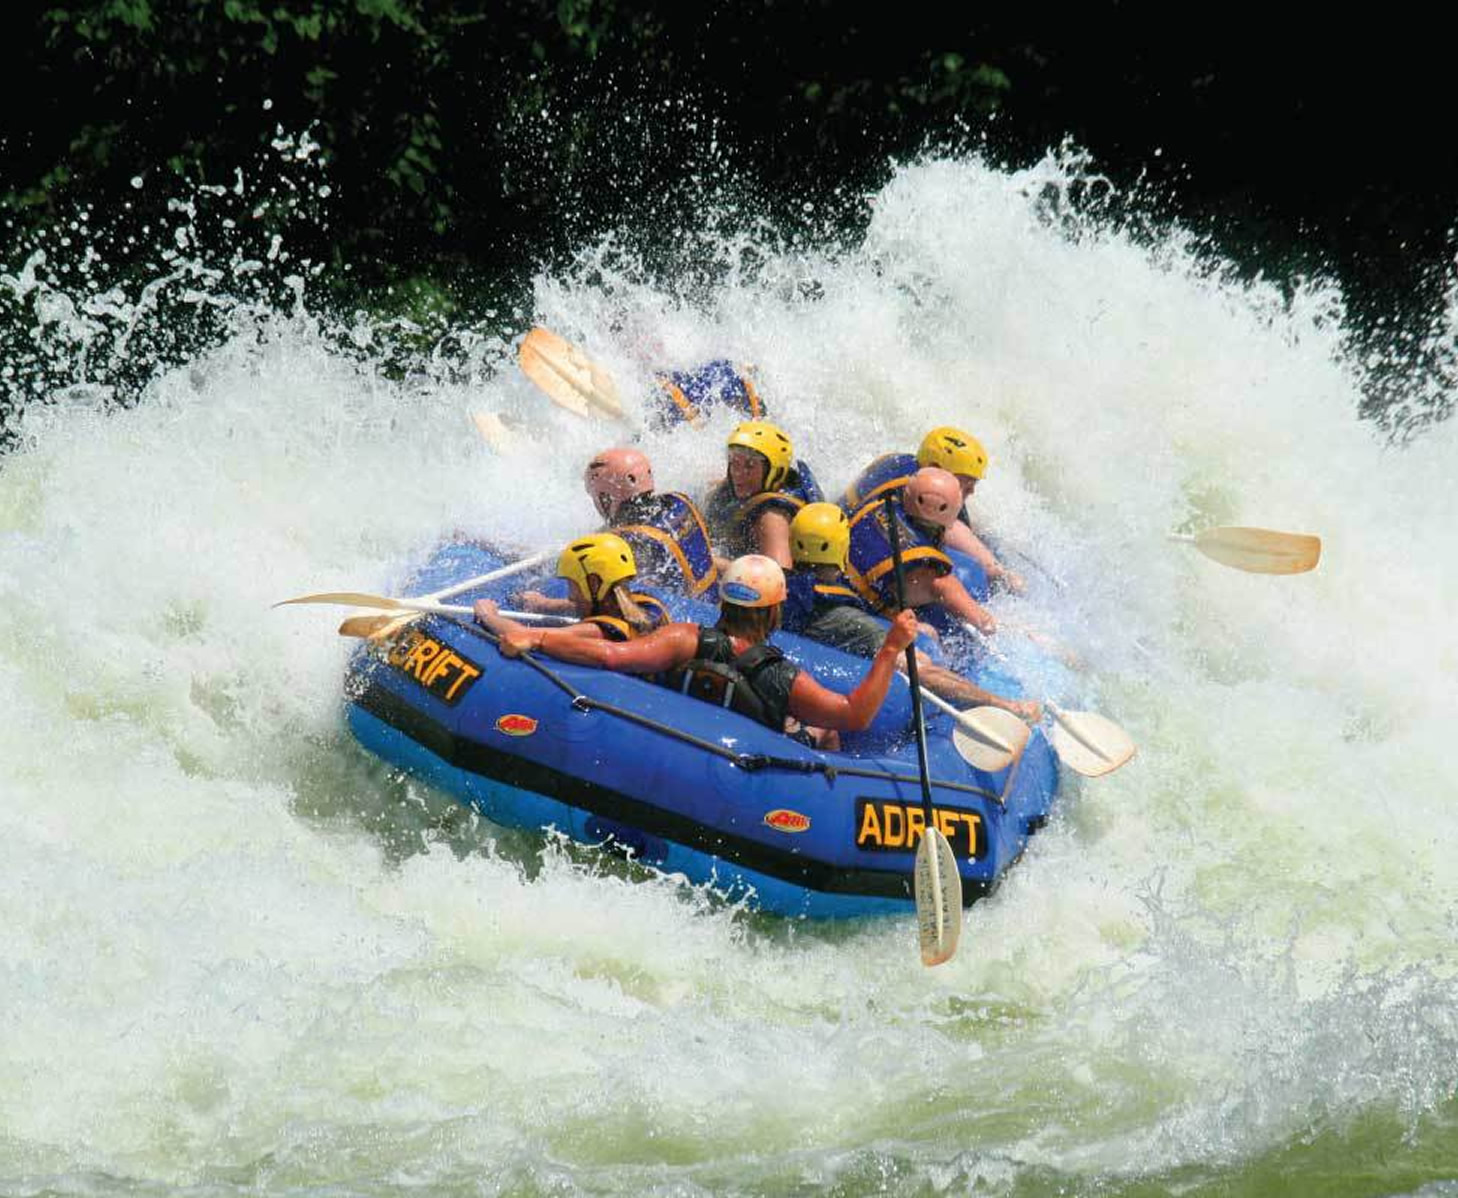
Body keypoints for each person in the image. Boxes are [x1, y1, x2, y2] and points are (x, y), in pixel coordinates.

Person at [481, 554, 920, 747]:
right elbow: (854, 714)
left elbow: (611, 657)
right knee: (828, 733)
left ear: (724, 602)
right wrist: (890, 648)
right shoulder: (780, 676)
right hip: (744, 772)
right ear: (774, 612)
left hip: (673, 737)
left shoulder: (683, 638)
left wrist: (536, 637)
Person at [785, 504, 1040, 721]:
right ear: (842, 547)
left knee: (925, 631)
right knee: (923, 658)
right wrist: (1002, 704)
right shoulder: (844, 617)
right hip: (847, 693)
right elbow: (922, 672)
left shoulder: (780, 584)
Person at [518, 448, 719, 615]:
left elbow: (617, 605)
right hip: (714, 602)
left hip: (688, 615)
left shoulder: (630, 543)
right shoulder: (678, 501)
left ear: (606, 497)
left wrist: (543, 605)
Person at [841, 425, 1025, 593]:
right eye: (965, 484)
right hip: (857, 564)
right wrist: (1000, 573)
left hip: (845, 538)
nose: (972, 491)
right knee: (970, 572)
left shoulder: (901, 463)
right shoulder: (926, 494)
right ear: (934, 468)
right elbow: (954, 530)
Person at [845, 467, 999, 636]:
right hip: (855, 608)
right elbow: (981, 621)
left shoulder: (882, 503)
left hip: (841, 579)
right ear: (945, 509)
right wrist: (1003, 628)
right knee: (928, 633)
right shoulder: (934, 577)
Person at [480, 533, 669, 646]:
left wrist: (488, 615)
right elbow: (599, 606)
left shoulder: (596, 632)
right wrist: (545, 605)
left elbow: (522, 636)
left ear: (594, 584)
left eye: (573, 585)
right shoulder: (648, 604)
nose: (571, 595)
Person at [701, 420, 823, 571]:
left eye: (750, 466)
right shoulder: (746, 487)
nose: (738, 473)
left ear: (774, 473)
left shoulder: (772, 518)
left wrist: (710, 562)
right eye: (734, 463)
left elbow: (778, 577)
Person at [649, 359, 766, 429]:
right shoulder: (726, 384)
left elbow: (744, 374)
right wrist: (691, 415)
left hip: (694, 387)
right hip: (691, 387)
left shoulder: (726, 388)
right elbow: (665, 383)